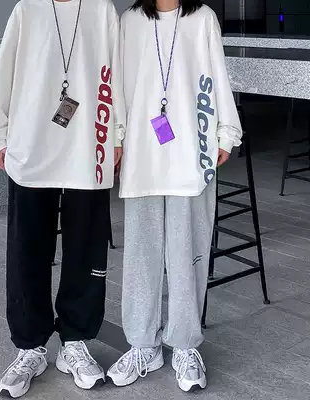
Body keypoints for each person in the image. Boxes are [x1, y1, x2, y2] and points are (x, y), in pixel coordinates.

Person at [0, 0, 125, 397]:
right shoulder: (27, 9)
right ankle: (30, 347)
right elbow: (5, 73)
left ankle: (75, 342)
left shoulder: (102, 10)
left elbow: (118, 75)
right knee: (26, 250)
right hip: (31, 148)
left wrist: (117, 135)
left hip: (88, 148)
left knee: (86, 249)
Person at [107, 0, 242, 393]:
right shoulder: (131, 21)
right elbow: (118, 88)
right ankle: (143, 345)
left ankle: (185, 344)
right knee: (141, 256)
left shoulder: (202, 19)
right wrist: (116, 137)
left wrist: (226, 132)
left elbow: (217, 74)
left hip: (190, 156)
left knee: (187, 254)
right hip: (143, 159)